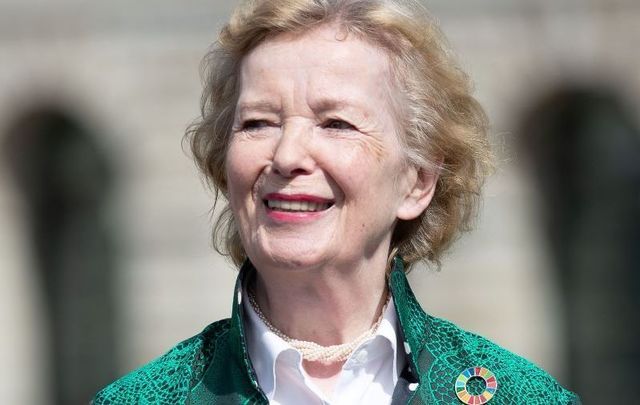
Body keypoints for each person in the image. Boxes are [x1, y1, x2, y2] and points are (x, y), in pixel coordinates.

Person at [94, 0, 580, 403]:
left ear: (416, 183)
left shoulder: (521, 395)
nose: (286, 156)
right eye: (257, 123)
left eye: (335, 123)